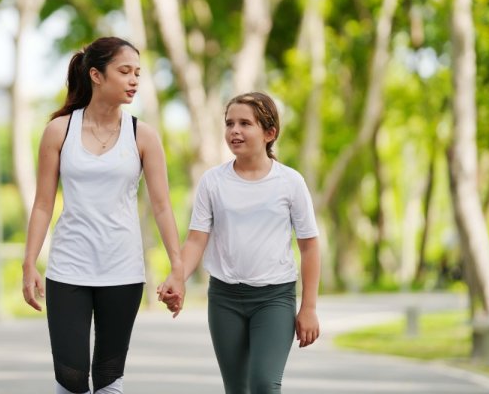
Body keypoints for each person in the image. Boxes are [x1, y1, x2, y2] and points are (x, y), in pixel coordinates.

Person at [22, 36, 184, 394]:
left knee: (110, 376)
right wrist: (29, 263)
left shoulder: (143, 135)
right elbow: (43, 204)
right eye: (124, 71)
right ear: (96, 75)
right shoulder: (59, 131)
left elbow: (161, 205)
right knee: (71, 377)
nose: (134, 80)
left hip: (122, 269)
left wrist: (178, 267)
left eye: (138, 73)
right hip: (68, 269)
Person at [157, 91, 320, 394]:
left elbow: (309, 247)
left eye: (245, 123)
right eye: (230, 123)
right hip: (224, 299)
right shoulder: (212, 181)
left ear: (269, 133)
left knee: (263, 385)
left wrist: (308, 307)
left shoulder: (290, 182)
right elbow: (195, 241)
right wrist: (176, 277)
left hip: (274, 299)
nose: (235, 130)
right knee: (236, 389)